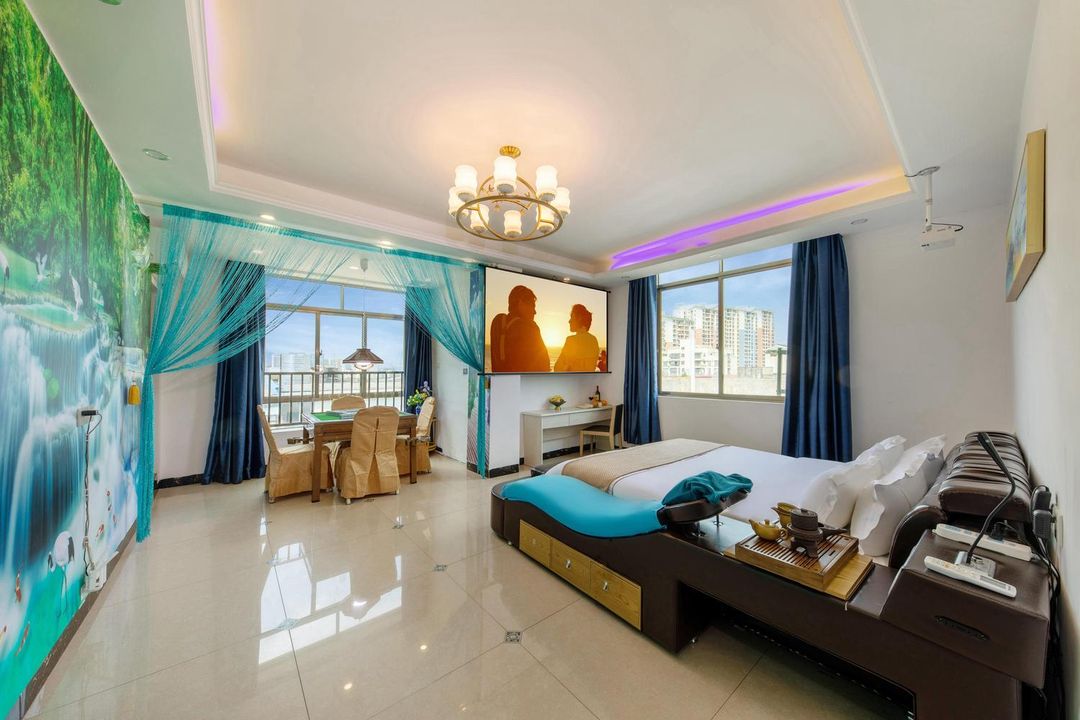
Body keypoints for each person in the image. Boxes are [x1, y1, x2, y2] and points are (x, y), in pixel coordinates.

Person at [489, 285, 550, 372]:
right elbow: (544, 365)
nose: (535, 312)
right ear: (521, 303)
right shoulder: (530, 328)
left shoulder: (498, 323)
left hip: (501, 380)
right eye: (532, 306)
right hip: (526, 380)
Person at [554, 304, 602, 372]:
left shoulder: (571, 340)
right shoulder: (594, 340)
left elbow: (557, 368)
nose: (569, 321)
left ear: (579, 318)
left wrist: (566, 366)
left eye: (571, 317)